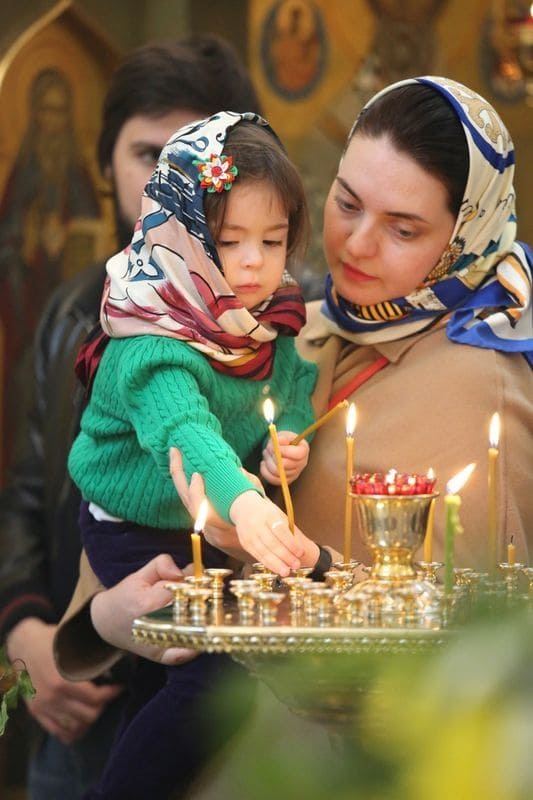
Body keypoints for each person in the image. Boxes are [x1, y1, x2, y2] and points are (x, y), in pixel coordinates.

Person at [55, 74, 532, 792]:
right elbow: (137, 501)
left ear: (462, 237)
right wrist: (111, 617)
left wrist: (307, 569)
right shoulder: (269, 327)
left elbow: (483, 643)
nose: (356, 244)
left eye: (403, 229)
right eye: (346, 203)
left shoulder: (484, 390)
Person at [0, 34, 262, 800]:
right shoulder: (71, 310)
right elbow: (26, 494)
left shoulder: (275, 315)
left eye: (195, 158)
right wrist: (27, 635)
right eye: (149, 155)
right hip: (79, 711)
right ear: (105, 162)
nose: (170, 183)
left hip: (225, 711)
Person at [67, 110, 320, 800]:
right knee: (211, 672)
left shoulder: (262, 321)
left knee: (169, 679)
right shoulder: (150, 339)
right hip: (132, 524)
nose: (253, 261)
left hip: (205, 517)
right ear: (180, 237)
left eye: (272, 240)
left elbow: (293, 388)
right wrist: (246, 500)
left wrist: (285, 443)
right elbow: (186, 431)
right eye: (228, 240)